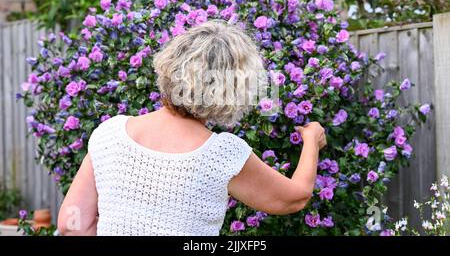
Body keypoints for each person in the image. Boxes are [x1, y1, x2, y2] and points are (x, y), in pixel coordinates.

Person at [57, 20, 326, 236]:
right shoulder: (221, 153)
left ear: (170, 66)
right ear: (234, 89)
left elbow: (72, 225)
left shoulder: (110, 133)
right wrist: (312, 140)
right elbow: (294, 198)